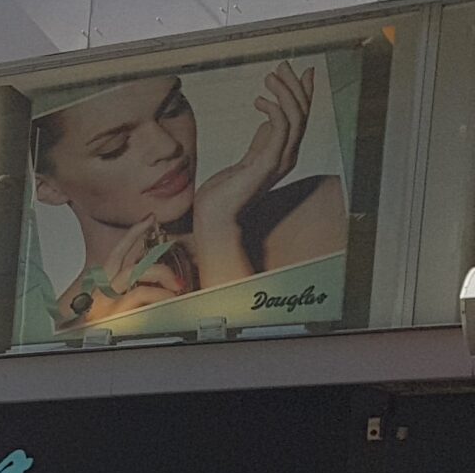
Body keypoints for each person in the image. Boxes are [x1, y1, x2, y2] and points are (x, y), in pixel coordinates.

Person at [31, 65, 343, 334]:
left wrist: (217, 226)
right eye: (115, 146)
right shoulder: (53, 333)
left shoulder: (318, 210)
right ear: (48, 188)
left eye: (172, 110)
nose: (167, 146)